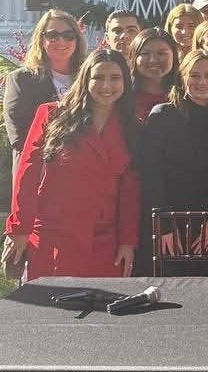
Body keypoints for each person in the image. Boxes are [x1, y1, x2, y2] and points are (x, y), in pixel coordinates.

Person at [3, 49, 139, 280]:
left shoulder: (131, 128)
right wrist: (19, 228)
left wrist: (127, 241)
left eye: (115, 78)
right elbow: (28, 174)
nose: (106, 85)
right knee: (49, 302)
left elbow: (130, 190)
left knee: (103, 301)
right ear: (85, 79)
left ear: (125, 82)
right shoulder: (52, 115)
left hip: (105, 238)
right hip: (53, 234)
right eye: (98, 77)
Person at [138, 50, 208, 276]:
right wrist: (165, 226)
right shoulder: (162, 115)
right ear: (182, 78)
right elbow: (151, 176)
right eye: (194, 75)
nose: (202, 82)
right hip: (169, 221)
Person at [3, 9, 87, 176]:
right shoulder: (21, 80)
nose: (61, 41)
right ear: (41, 39)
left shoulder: (89, 77)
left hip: (84, 170)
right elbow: (19, 137)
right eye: (52, 35)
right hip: (38, 172)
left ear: (77, 39)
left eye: (68, 35)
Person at [128, 27, 179, 124]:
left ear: (174, 56)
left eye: (161, 53)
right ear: (134, 57)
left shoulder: (185, 97)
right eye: (145, 53)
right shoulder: (124, 98)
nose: (153, 60)